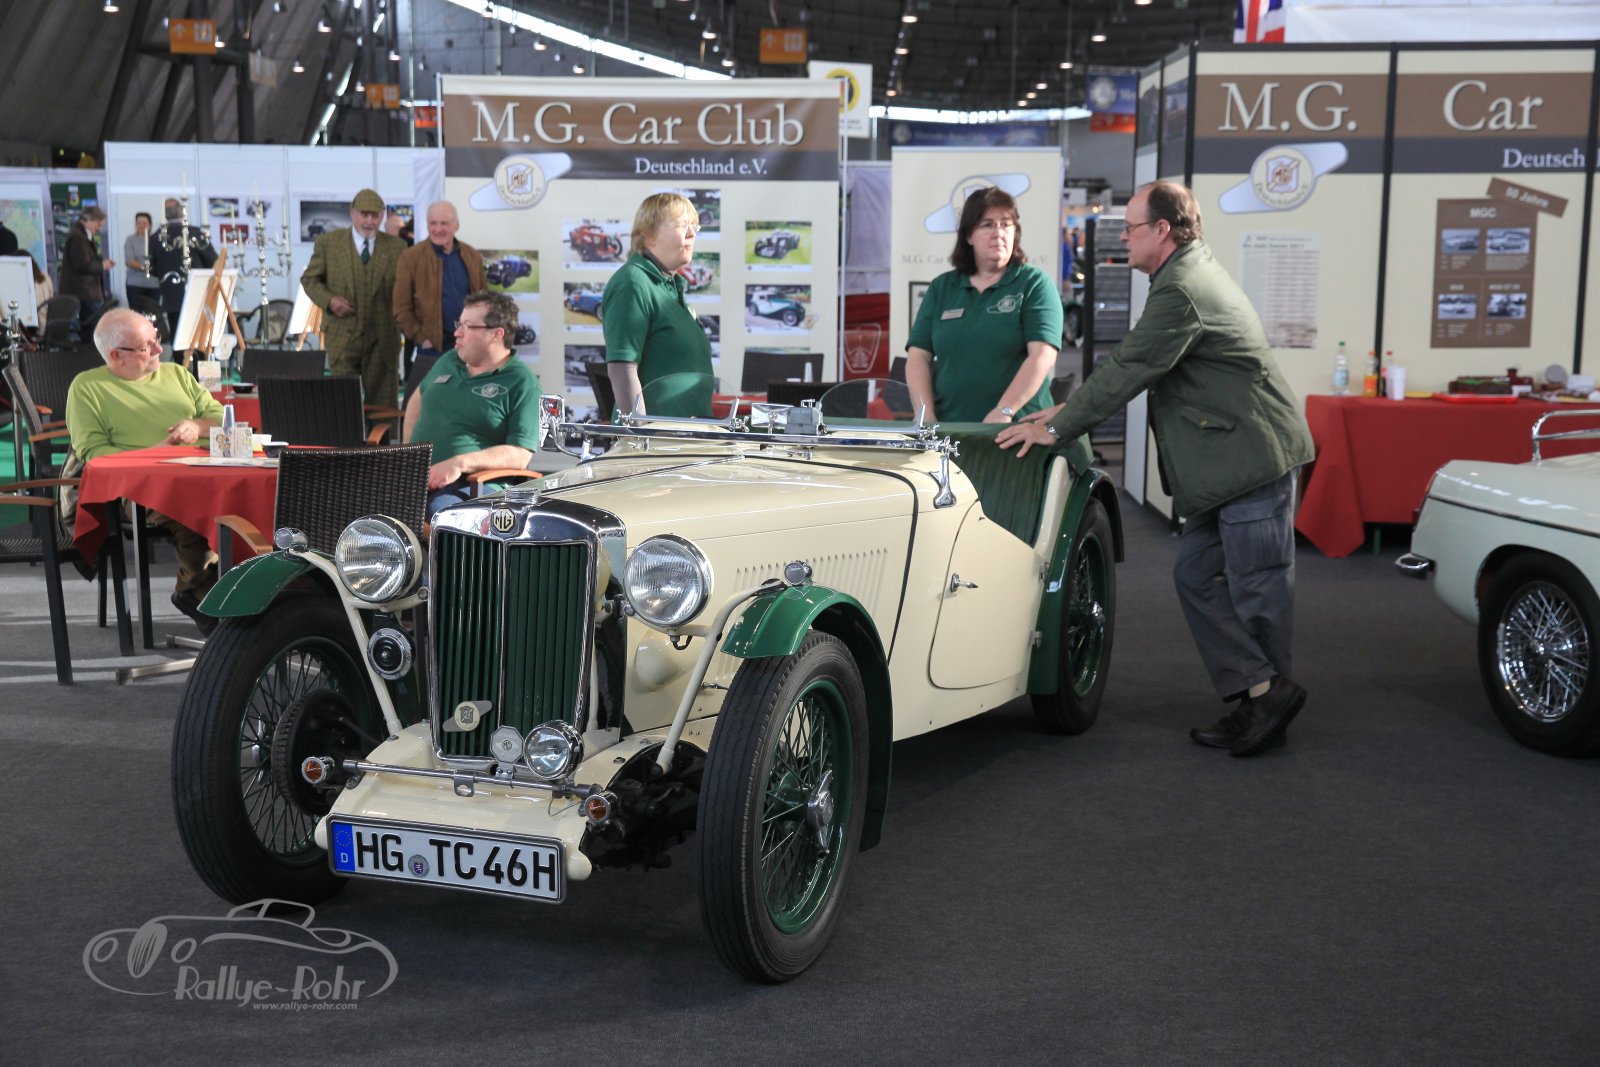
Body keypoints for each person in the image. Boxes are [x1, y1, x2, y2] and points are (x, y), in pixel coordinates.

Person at [997, 180, 1315, 758]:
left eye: (1131, 228)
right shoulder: (1181, 277)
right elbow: (1135, 364)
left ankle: (1267, 704)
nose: (1123, 237)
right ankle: (1263, 691)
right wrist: (1063, 411)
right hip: (1227, 461)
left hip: (1252, 458)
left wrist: (1057, 428)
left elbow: (1130, 366)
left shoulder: (1183, 289)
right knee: (1195, 575)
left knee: (1258, 587)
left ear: (1162, 230)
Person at [65, 308, 225, 634]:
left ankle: (224, 598)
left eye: (156, 339)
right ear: (115, 355)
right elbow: (93, 453)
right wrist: (154, 453)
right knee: (196, 512)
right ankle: (204, 597)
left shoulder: (177, 375)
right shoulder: (87, 388)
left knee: (248, 508)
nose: (158, 350)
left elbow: (223, 419)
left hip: (204, 475)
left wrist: (196, 425)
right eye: (145, 347)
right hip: (139, 488)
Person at [904, 188, 1061, 424]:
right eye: (987, 225)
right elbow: (918, 356)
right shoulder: (942, 287)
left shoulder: (1034, 284)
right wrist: (925, 415)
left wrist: (1005, 410)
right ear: (968, 235)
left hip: (1018, 429)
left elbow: (1043, 356)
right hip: (951, 428)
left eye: (1006, 224)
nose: (998, 233)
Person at [403, 290, 542, 517]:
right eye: (459, 324)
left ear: (496, 334)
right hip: (417, 478)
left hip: (474, 483)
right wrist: (408, 454)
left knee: (444, 514)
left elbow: (520, 454)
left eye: (467, 326)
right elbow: (416, 400)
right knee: (356, 499)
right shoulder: (449, 359)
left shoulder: (521, 381)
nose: (457, 333)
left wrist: (459, 464)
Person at [601, 192, 713, 418]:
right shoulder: (633, 283)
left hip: (687, 434)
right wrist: (640, 434)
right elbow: (622, 369)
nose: (691, 234)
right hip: (656, 438)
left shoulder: (671, 286)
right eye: (682, 225)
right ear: (649, 235)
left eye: (694, 226)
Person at [300, 188, 405, 408]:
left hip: (383, 340)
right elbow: (310, 280)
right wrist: (330, 301)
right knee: (343, 404)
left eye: (375, 215)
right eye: (364, 214)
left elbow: (406, 288)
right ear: (352, 213)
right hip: (342, 337)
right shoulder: (329, 243)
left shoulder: (397, 247)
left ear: (382, 216)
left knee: (383, 407)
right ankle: (347, 433)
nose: (369, 221)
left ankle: (382, 434)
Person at [393, 200, 487, 357]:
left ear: (456, 225)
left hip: (468, 344)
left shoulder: (472, 256)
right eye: (433, 223)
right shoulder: (410, 258)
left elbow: (484, 300)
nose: (438, 229)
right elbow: (401, 308)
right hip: (431, 348)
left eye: (444, 223)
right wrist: (422, 339)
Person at [147, 198, 218, 339]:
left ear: (164, 214)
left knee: (177, 335)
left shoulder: (157, 237)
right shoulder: (195, 233)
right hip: (197, 289)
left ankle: (179, 354)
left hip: (171, 293)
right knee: (200, 334)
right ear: (181, 211)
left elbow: (152, 268)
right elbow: (212, 261)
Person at [57, 206, 115, 327]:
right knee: (94, 326)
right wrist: (103, 265)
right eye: (98, 224)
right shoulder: (78, 237)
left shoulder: (80, 235)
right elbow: (82, 265)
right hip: (83, 291)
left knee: (90, 326)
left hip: (84, 290)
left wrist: (101, 263)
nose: (99, 228)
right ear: (88, 220)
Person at [122, 211, 161, 312]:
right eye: (138, 223)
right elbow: (129, 261)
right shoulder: (130, 240)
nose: (141, 225)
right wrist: (146, 267)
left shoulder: (157, 240)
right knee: (136, 315)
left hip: (154, 284)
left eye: (144, 223)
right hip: (135, 284)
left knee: (153, 315)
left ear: (150, 225)